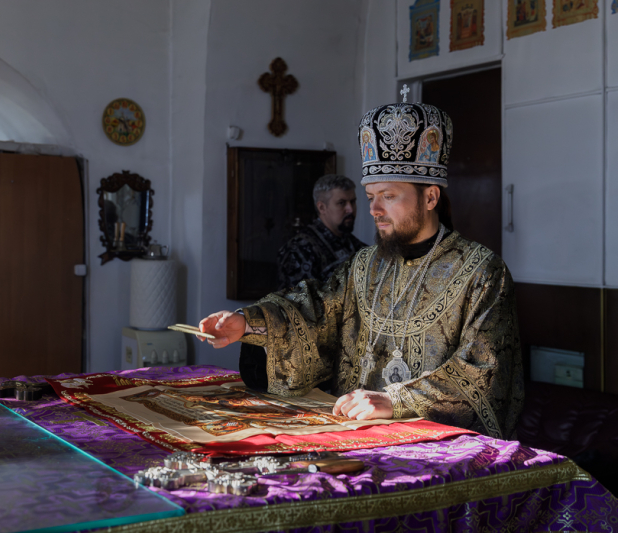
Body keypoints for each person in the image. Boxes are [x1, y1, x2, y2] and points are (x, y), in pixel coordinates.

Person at [199, 97, 524, 440]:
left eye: (388, 195)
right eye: (370, 196)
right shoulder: (365, 264)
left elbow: (483, 373)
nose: (374, 209)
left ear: (430, 198)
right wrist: (249, 322)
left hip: (434, 445)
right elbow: (317, 311)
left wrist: (395, 400)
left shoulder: (482, 272)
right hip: (353, 436)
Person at [277, 174, 366, 290]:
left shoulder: (357, 246)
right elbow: (300, 304)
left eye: (353, 202)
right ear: (322, 208)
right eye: (342, 203)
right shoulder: (299, 249)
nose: (350, 209)